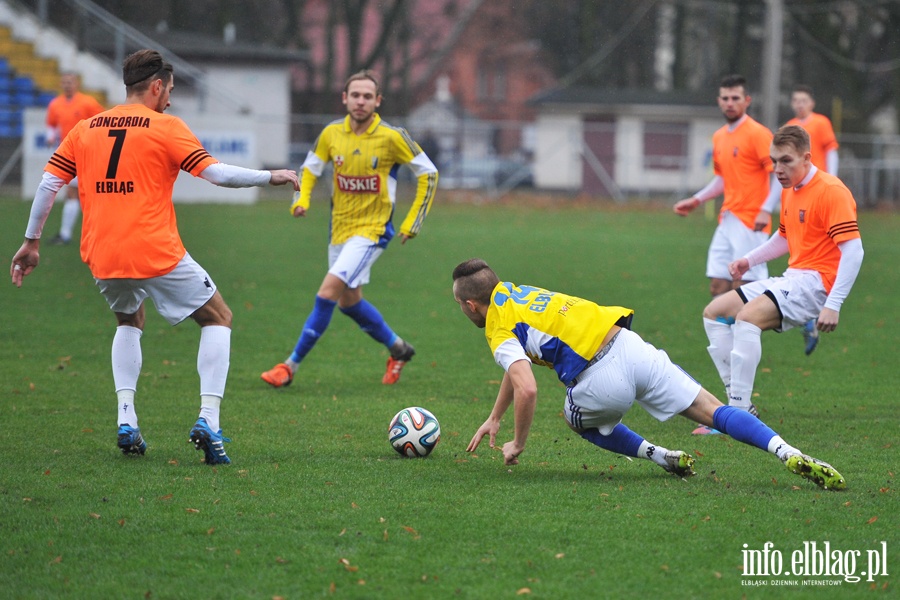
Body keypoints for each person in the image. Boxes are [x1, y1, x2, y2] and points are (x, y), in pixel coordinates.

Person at [9, 49, 300, 465]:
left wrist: (31, 241)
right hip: (155, 249)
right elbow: (214, 173)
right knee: (218, 317)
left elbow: (47, 184)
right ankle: (209, 420)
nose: (170, 100)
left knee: (130, 319)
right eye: (170, 91)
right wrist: (269, 176)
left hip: (102, 252)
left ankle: (126, 419)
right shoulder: (165, 126)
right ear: (157, 86)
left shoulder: (86, 127)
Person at [452, 258, 846, 491]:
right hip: (631, 347)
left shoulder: (497, 327)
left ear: (472, 305)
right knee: (713, 409)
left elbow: (527, 387)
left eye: (461, 307)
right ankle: (788, 452)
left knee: (578, 421)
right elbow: (518, 363)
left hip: (599, 382)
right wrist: (495, 417)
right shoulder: (517, 291)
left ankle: (659, 456)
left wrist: (517, 443)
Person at [261, 70, 438, 388]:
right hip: (339, 231)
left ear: (377, 101)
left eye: (367, 96)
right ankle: (398, 349)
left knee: (327, 292)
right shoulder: (331, 134)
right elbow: (309, 169)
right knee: (349, 301)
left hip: (372, 232)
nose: (361, 101)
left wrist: (413, 222)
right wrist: (300, 200)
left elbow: (429, 173)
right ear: (345, 98)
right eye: (355, 95)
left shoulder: (393, 137)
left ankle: (289, 367)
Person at [701, 125, 863, 430]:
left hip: (817, 283)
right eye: (774, 160)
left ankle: (736, 414)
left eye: (785, 161)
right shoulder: (791, 191)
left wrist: (834, 303)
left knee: (747, 318)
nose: (777, 169)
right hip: (793, 277)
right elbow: (785, 237)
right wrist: (749, 260)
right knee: (715, 313)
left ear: (806, 158)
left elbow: (854, 251)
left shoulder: (831, 191)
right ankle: (740, 403)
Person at [673, 74, 782, 298]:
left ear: (747, 101)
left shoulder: (758, 134)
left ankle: (794, 315)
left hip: (751, 221)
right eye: (725, 98)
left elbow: (780, 174)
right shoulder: (719, 137)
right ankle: (725, 332)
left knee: (743, 287)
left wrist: (766, 209)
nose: (730, 103)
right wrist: (696, 200)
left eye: (735, 97)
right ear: (719, 101)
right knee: (718, 286)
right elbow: (722, 179)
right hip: (727, 218)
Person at [785, 84, 841, 355]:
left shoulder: (821, 123)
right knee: (799, 247)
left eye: (803, 99)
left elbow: (831, 151)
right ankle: (807, 316)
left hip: (821, 193)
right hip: (800, 196)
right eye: (795, 100)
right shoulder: (791, 126)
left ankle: (825, 302)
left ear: (812, 101)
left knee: (831, 246)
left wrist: (834, 178)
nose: (799, 104)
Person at [44, 72, 105, 245]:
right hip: (69, 155)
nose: (67, 85)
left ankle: (94, 233)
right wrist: (50, 136)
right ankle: (66, 234)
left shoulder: (88, 102)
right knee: (73, 193)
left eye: (70, 82)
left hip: (88, 154)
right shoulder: (55, 104)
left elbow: (103, 121)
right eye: (64, 82)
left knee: (90, 195)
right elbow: (51, 124)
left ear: (77, 83)